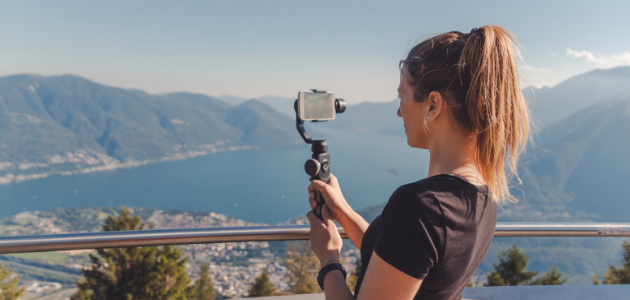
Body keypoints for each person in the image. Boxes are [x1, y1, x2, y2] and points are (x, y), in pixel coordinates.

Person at [306, 25, 531, 300]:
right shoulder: (483, 194)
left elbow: (410, 239)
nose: (399, 111)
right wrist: (343, 211)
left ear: (433, 105)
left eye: (402, 96)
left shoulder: (418, 207)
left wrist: (329, 259)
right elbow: (403, 257)